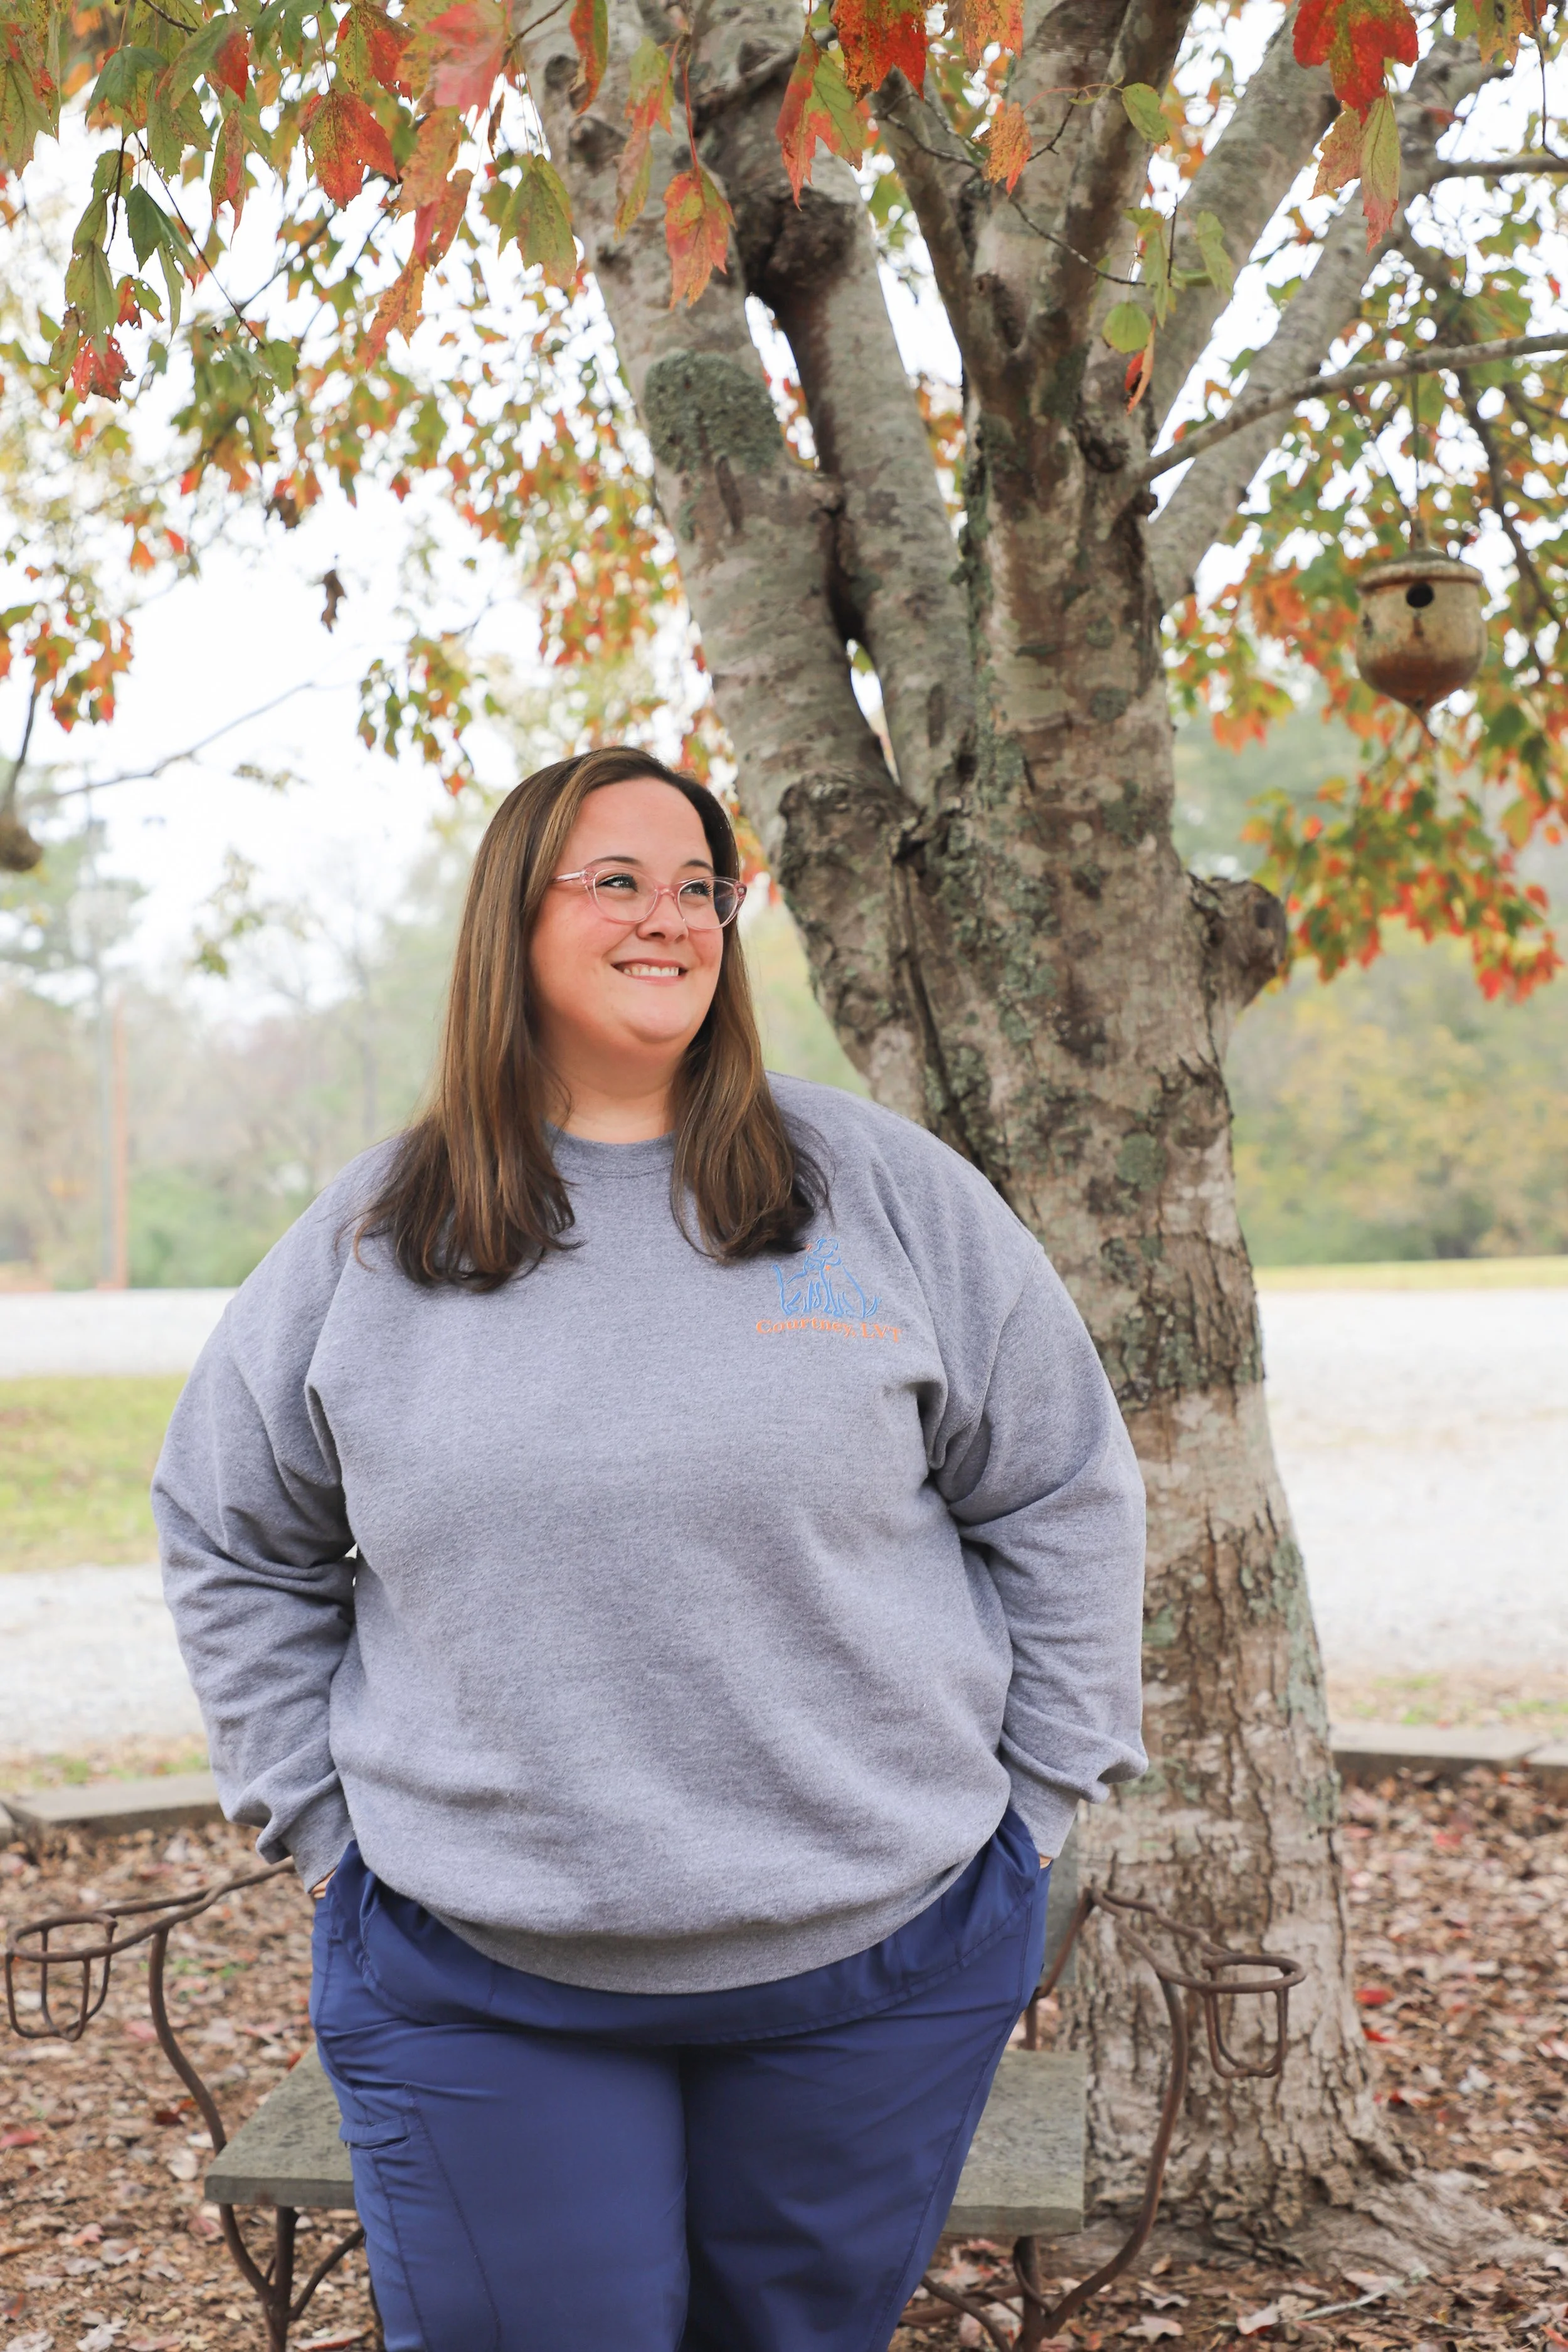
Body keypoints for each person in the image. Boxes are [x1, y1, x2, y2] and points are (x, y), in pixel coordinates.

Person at [154, 744, 1147, 2352]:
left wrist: (1032, 1813)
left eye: (699, 887)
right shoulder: (375, 1235)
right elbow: (230, 1529)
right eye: (615, 880)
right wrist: (322, 1828)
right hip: (482, 1975)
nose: (668, 919)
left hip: (876, 1968)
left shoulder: (879, 1194)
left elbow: (1058, 1490)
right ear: (514, 922)